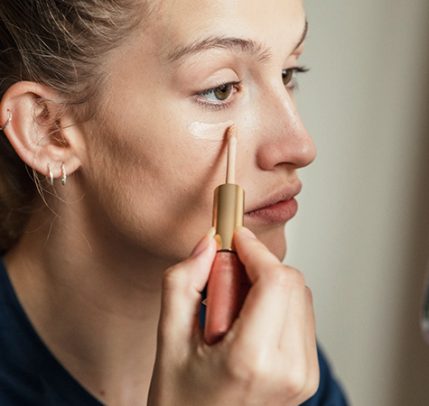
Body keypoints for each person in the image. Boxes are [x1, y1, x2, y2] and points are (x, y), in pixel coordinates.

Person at [0, 0, 348, 404]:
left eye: (288, 73)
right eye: (220, 89)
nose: (301, 146)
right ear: (47, 129)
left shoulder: (271, 366)